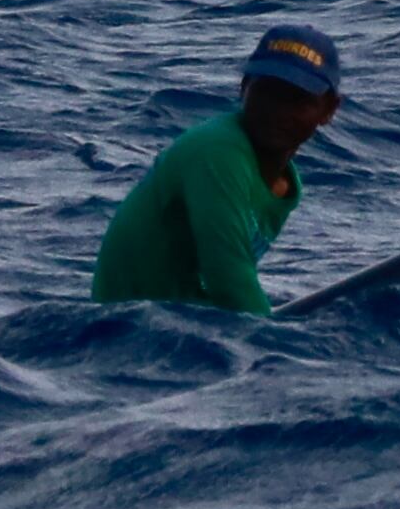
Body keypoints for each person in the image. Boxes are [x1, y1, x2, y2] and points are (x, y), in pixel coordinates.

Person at [90, 26, 342, 315]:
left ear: (329, 110)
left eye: (297, 98)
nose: (278, 110)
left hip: (177, 325)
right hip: (131, 330)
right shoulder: (218, 152)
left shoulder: (283, 184)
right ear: (243, 88)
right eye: (267, 92)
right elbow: (229, 281)